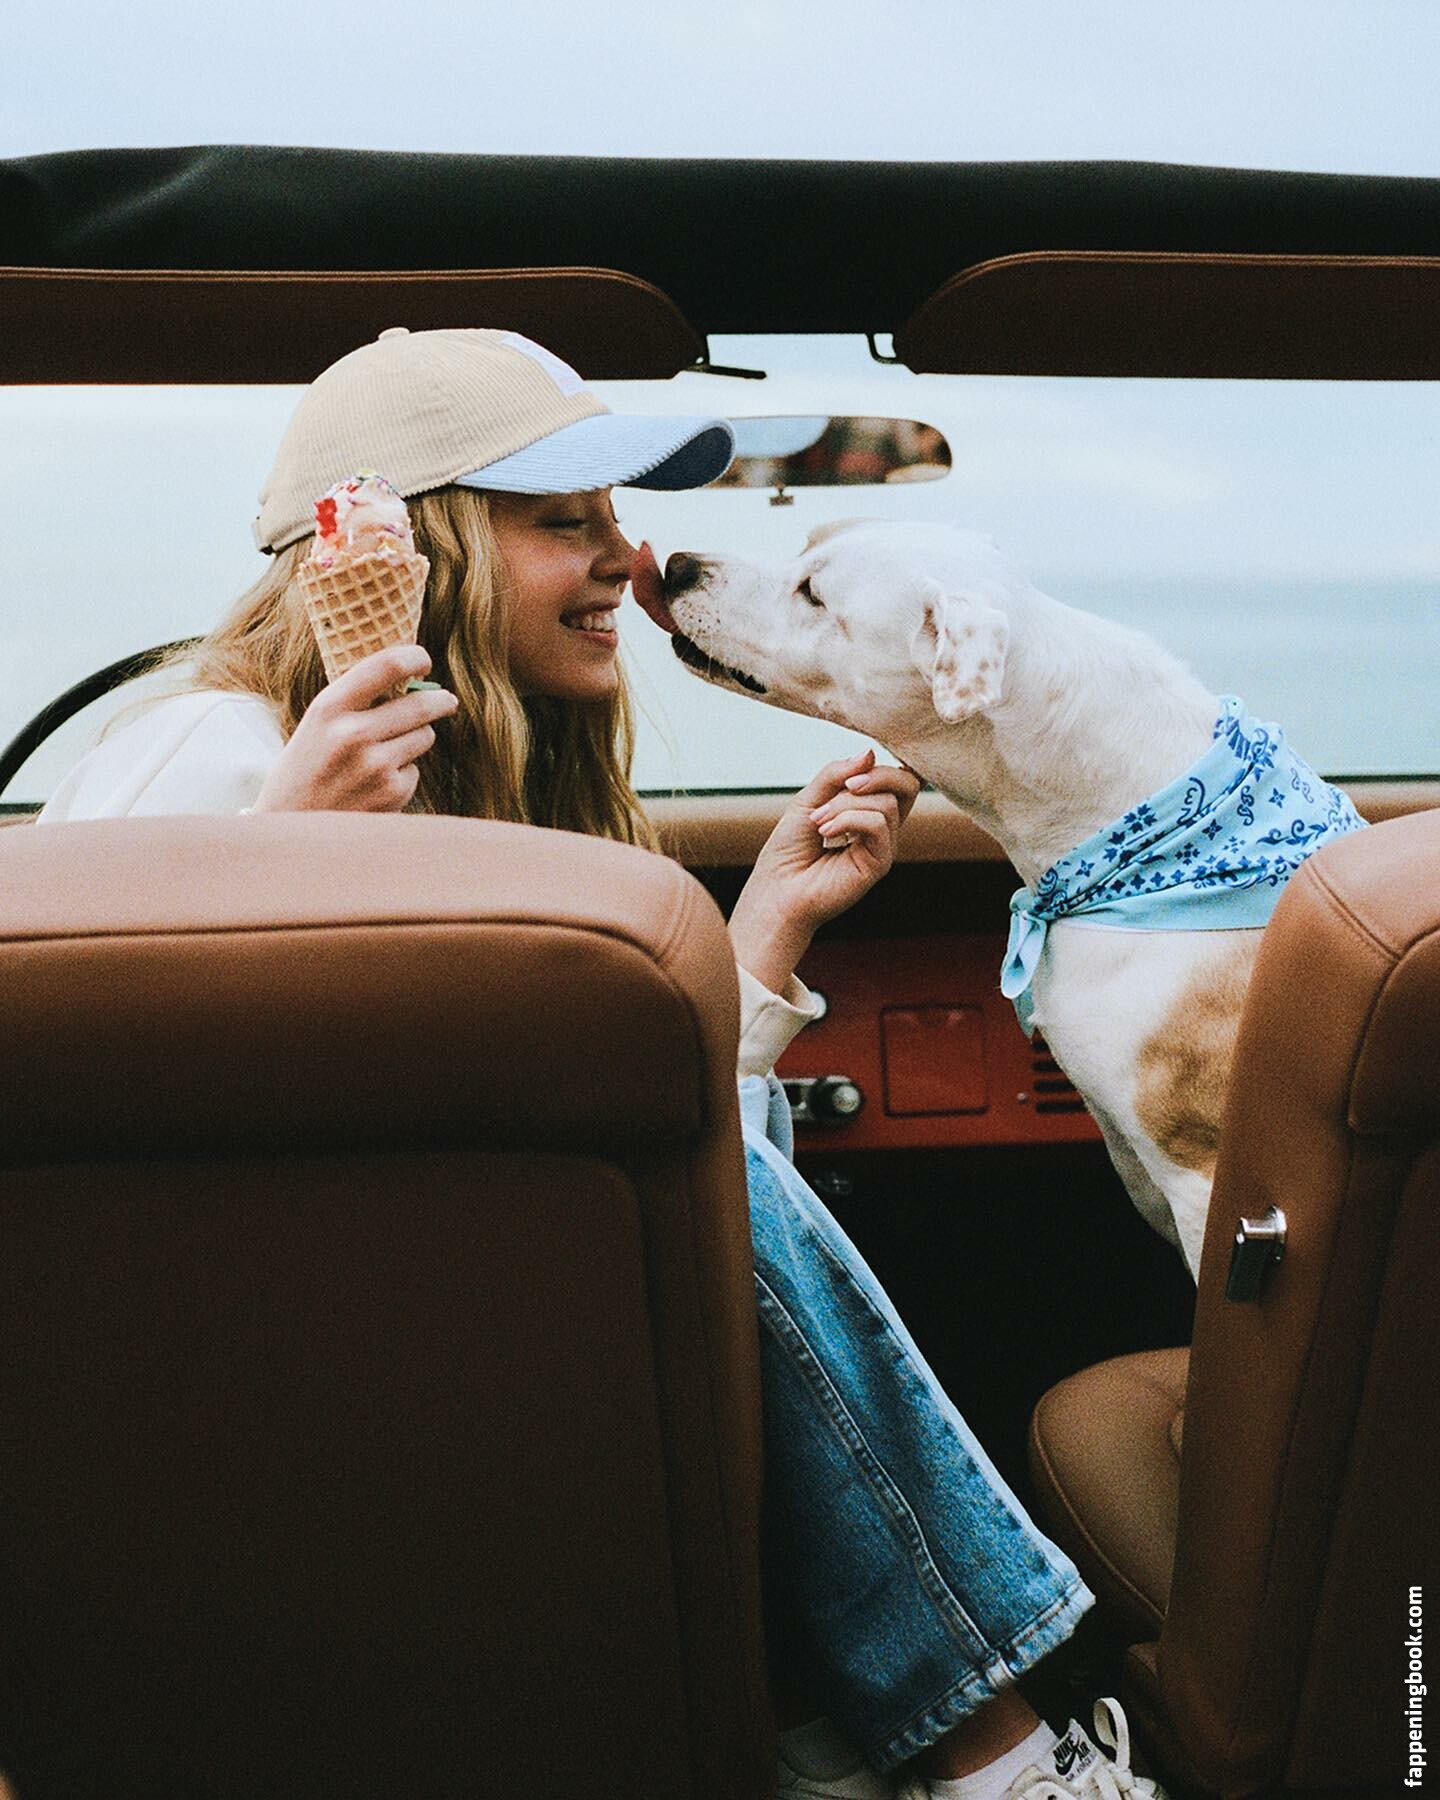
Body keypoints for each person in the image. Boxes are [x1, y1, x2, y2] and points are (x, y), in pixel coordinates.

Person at [40, 327, 1166, 1800]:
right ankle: (1001, 1758)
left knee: (700, 1184)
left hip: (446, 1330)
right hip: (228, 1367)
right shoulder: (215, 748)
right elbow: (65, 1143)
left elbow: (593, 1150)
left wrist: (760, 937)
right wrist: (279, 851)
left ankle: (874, 1733)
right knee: (709, 1186)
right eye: (566, 524)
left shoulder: (480, 805)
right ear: (419, 549)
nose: (626, 565)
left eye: (616, 521)